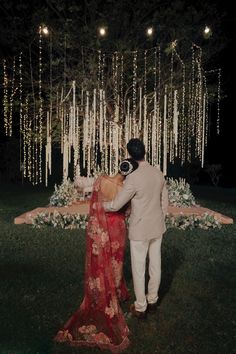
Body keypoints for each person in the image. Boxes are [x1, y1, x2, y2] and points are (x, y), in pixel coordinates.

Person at [54, 158, 138, 353]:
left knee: (100, 261)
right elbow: (128, 210)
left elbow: (79, 185)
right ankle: (114, 291)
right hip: (117, 227)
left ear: (118, 165)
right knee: (116, 261)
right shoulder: (127, 188)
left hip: (101, 226)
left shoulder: (101, 180)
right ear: (129, 173)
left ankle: (99, 290)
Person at [103, 138, 168, 319]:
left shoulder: (133, 177)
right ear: (145, 152)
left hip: (140, 229)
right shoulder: (158, 173)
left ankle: (140, 307)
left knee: (139, 268)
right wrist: (161, 217)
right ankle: (153, 300)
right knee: (156, 264)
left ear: (130, 155)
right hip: (157, 226)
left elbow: (116, 205)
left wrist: (101, 205)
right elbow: (165, 202)